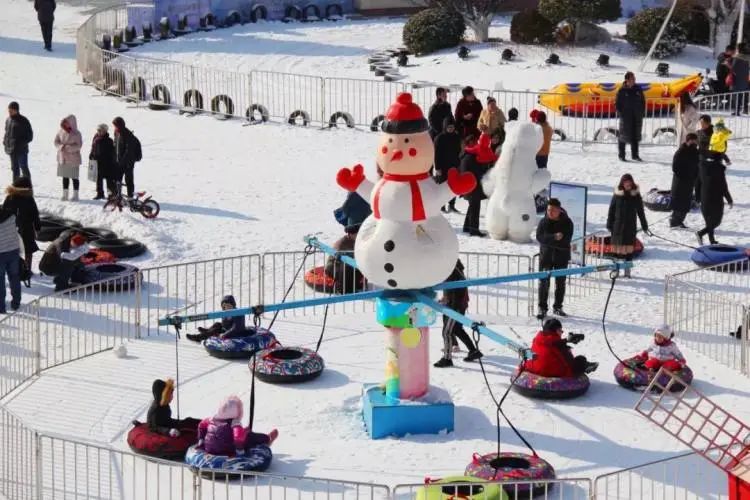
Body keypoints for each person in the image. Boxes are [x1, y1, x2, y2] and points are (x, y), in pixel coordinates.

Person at [434, 260, 482, 368]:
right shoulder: (451, 269)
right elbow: (450, 289)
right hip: (454, 305)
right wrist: (446, 298)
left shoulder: (452, 270)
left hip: (455, 307)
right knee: (456, 329)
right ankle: (473, 351)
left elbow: (458, 291)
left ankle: (447, 358)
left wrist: (452, 305)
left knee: (447, 331)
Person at [196, 395, 278, 456]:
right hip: (227, 449)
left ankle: (204, 444)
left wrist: (201, 440)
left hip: (209, 448)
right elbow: (238, 438)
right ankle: (267, 439)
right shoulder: (235, 423)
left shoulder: (211, 419)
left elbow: (201, 425)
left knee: (245, 432)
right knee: (250, 436)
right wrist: (240, 451)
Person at [535, 198, 573, 319]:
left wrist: (552, 240)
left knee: (560, 282)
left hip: (561, 256)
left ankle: (558, 306)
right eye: (548, 210)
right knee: (544, 282)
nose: (550, 213)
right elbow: (540, 237)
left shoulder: (567, 222)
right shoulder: (543, 222)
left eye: (553, 210)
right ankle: (542, 307)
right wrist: (553, 237)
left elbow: (566, 240)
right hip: (545, 256)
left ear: (559, 210)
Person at [522, 318, 598, 377]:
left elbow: (552, 343)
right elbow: (569, 362)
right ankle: (586, 365)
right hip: (551, 371)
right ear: (555, 331)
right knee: (581, 359)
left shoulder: (537, 339)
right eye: (560, 330)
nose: (561, 333)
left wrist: (566, 341)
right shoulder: (558, 345)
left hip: (534, 368)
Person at [606, 174, 649, 278]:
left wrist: (644, 225)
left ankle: (627, 271)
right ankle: (615, 270)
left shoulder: (636, 195)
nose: (628, 185)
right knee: (615, 251)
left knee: (629, 251)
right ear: (622, 183)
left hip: (630, 227)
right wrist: (609, 223)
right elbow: (611, 210)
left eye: (629, 183)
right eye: (626, 183)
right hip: (617, 226)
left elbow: (640, 211)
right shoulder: (617, 195)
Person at [696, 134, 733, 245]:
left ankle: (712, 240)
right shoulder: (719, 170)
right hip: (716, 198)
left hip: (704, 197)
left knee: (709, 220)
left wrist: (697, 197)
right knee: (716, 221)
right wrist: (729, 199)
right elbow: (723, 186)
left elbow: (697, 183)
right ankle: (701, 233)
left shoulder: (702, 167)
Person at [460, 132, 497, 237]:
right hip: (472, 185)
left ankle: (467, 227)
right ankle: (474, 230)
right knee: (475, 207)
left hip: (472, 185)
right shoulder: (472, 157)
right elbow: (476, 170)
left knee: (472, 206)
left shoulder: (472, 154)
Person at [3, 176, 41, 276]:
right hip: (26, 228)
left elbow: (3, 214)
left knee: (13, 249)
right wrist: (37, 227)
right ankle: (27, 269)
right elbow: (35, 214)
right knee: (28, 250)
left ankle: (13, 269)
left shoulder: (10, 197)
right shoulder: (29, 198)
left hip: (11, 228)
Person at [669, 133, 699, 229]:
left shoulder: (695, 151)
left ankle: (679, 221)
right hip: (680, 181)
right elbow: (675, 167)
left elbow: (697, 165)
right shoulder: (680, 152)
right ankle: (674, 221)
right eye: (692, 141)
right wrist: (686, 175)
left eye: (695, 141)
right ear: (687, 141)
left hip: (690, 181)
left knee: (686, 203)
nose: (694, 143)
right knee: (679, 202)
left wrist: (695, 176)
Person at [433, 116, 462, 213]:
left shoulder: (456, 137)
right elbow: (436, 154)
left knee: (453, 186)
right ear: (445, 127)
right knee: (443, 186)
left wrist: (458, 165)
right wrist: (437, 168)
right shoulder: (439, 138)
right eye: (449, 127)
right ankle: (441, 205)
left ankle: (452, 205)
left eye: (452, 127)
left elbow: (459, 151)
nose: (451, 129)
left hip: (453, 166)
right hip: (442, 167)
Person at [615, 71, 645, 162]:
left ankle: (635, 155)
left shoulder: (638, 89)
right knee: (623, 136)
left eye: (634, 78)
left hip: (636, 116)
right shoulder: (621, 90)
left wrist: (641, 112)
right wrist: (622, 114)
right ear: (627, 80)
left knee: (635, 136)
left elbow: (643, 102)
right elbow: (617, 104)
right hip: (626, 117)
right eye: (632, 78)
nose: (634, 80)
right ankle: (621, 155)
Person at [324, 230, 366, 294]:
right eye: (356, 234)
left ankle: (354, 284)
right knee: (350, 267)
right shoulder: (342, 243)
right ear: (350, 234)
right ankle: (344, 288)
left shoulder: (357, 241)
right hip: (335, 267)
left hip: (349, 265)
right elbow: (338, 258)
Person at [54, 115, 83, 201]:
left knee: (74, 177)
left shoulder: (77, 133)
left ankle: (76, 195)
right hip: (63, 158)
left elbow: (79, 145)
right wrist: (61, 147)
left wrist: (67, 148)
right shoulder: (61, 131)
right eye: (65, 122)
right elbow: (56, 141)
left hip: (73, 158)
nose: (65, 124)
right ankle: (65, 194)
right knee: (65, 176)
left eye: (67, 122)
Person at [3, 102, 33, 182]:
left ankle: (28, 186)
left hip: (21, 150)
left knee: (23, 167)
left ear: (16, 110)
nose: (9, 112)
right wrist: (5, 141)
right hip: (11, 149)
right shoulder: (8, 120)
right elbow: (7, 132)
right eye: (9, 110)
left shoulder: (23, 121)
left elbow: (30, 136)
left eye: (11, 110)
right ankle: (15, 188)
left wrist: (19, 143)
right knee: (14, 169)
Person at [0, 207, 21, 313]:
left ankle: (1, 307)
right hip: (13, 251)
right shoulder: (12, 216)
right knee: (14, 277)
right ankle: (16, 303)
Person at [112, 116, 138, 198]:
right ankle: (118, 196)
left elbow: (129, 151)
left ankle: (130, 197)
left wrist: (122, 161)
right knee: (117, 179)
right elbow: (115, 146)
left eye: (116, 125)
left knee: (129, 181)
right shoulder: (116, 133)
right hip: (119, 162)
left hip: (128, 163)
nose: (115, 127)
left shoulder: (128, 135)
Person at [89, 123, 116, 199]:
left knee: (109, 180)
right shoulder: (96, 138)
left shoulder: (109, 140)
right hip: (97, 162)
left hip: (107, 163)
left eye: (100, 130)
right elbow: (93, 148)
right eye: (98, 130)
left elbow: (110, 153)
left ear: (105, 131)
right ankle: (100, 193)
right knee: (98, 179)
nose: (98, 131)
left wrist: (100, 157)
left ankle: (111, 195)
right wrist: (91, 155)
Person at [694, 114, 714, 204]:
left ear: (709, 123)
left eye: (703, 123)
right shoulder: (698, 132)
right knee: (697, 179)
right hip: (700, 158)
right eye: (700, 123)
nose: (702, 125)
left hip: (711, 160)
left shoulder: (715, 134)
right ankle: (698, 198)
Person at [730, 43, 750, 115]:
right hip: (746, 79)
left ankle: (737, 111)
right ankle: (745, 109)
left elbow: (733, 68)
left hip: (737, 79)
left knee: (737, 96)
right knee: (744, 95)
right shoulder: (748, 58)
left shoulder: (737, 57)